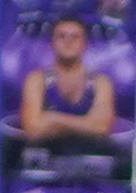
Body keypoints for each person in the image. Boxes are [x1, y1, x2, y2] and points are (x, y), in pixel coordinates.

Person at [19, 16, 115, 146]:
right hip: (47, 153)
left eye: (75, 37)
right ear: (52, 43)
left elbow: (101, 127)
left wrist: (53, 118)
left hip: (89, 154)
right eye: (61, 36)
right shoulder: (36, 80)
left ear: (85, 44)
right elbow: (32, 129)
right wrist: (86, 124)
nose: (68, 41)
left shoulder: (101, 83)